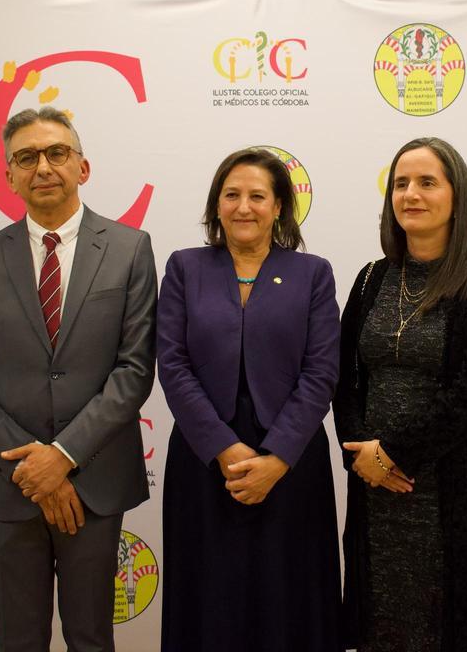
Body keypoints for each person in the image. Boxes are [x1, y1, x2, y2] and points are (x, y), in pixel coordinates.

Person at [0, 106, 157, 652]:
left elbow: (134, 371)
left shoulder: (131, 249)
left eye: (57, 153)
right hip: (9, 486)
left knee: (91, 639)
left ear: (82, 167)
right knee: (17, 641)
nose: (43, 166)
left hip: (95, 482)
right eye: (26, 157)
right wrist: (33, 466)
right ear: (9, 175)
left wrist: (62, 456)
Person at [156, 148, 341, 652]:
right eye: (231, 195)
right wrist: (225, 449)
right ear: (216, 206)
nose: (244, 207)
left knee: (289, 597)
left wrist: (276, 458)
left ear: (279, 206)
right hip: (205, 460)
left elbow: (322, 371)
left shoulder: (313, 274)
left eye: (258, 196)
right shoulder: (184, 268)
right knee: (208, 597)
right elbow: (172, 365)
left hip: (290, 463)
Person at [334, 137, 467, 652]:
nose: (411, 194)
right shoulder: (371, 279)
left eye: (428, 182)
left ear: (457, 197)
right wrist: (360, 453)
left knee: (450, 619)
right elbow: (344, 380)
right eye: (401, 183)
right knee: (382, 612)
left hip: (453, 483)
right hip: (373, 483)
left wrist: (393, 452)